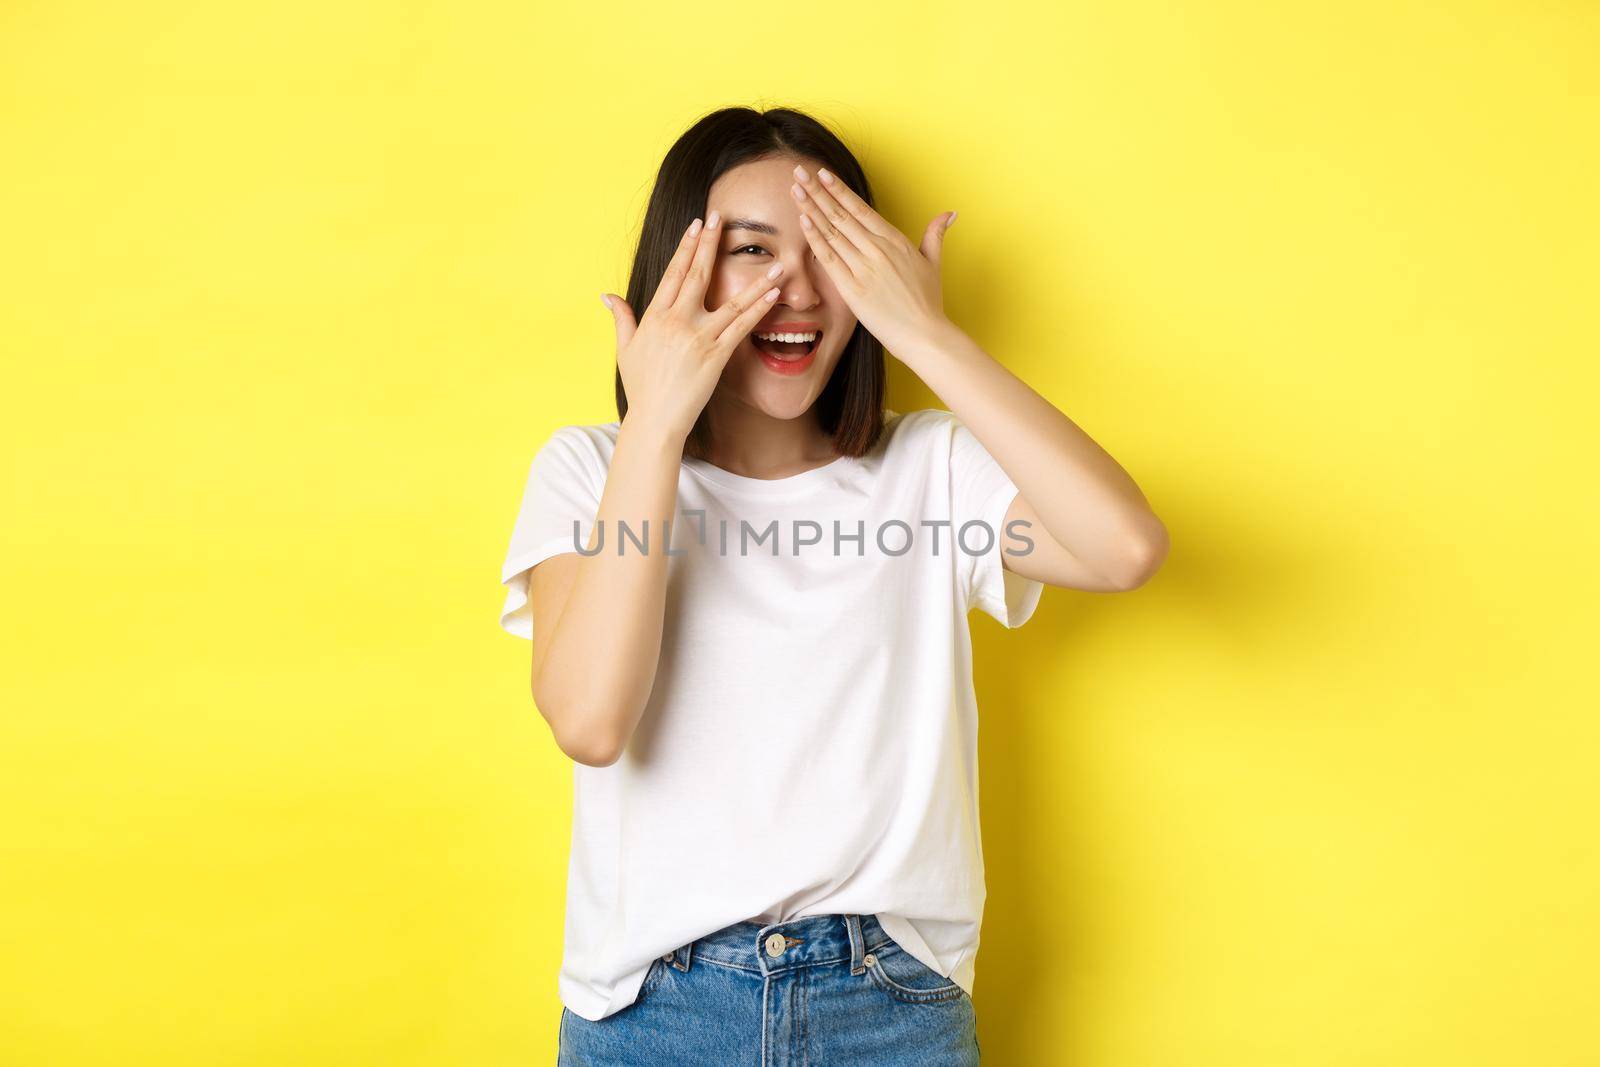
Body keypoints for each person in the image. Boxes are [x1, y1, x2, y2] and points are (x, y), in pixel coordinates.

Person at [498, 106, 1169, 1065]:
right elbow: (592, 722)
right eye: (752, 250)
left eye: (828, 251)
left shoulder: (928, 469)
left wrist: (928, 337)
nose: (795, 289)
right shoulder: (591, 470)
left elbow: (1124, 548)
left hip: (888, 1009)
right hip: (655, 1016)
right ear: (678, 269)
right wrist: (652, 427)